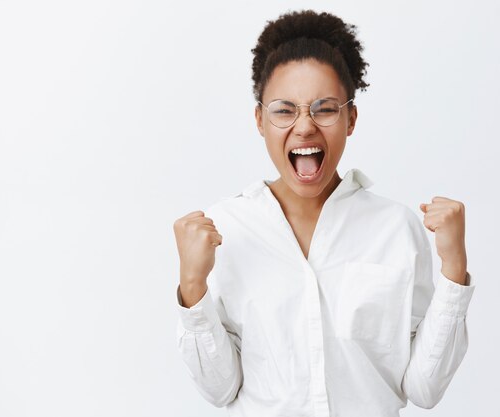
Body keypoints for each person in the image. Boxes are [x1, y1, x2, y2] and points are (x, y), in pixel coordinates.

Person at [173, 9, 476, 417]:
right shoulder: (226, 229)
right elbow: (220, 388)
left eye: (325, 108)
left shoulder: (396, 230)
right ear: (260, 120)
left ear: (350, 118)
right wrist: (192, 284)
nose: (304, 127)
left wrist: (454, 269)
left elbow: (423, 389)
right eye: (284, 110)